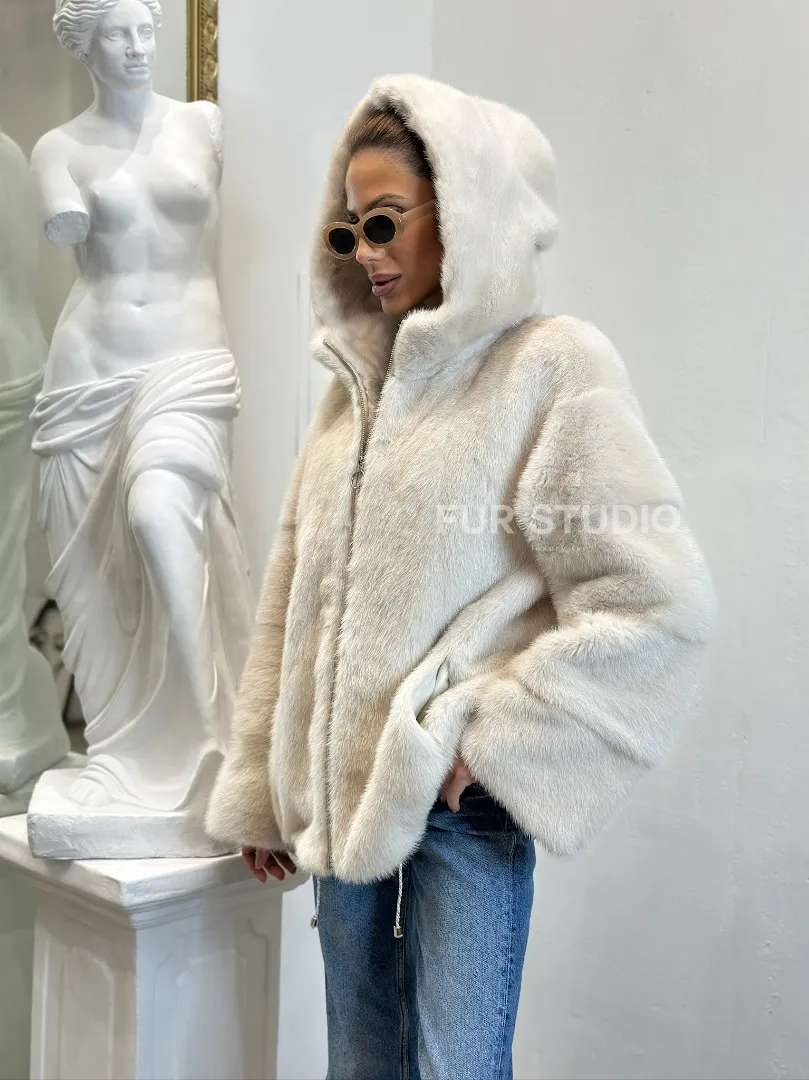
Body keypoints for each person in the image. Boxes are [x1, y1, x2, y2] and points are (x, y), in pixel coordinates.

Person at [206, 75, 715, 1080]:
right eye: (350, 230)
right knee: (359, 1065)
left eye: (386, 221)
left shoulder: (550, 368)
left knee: (458, 1069)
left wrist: (486, 736)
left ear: (466, 211)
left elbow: (656, 601)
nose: (367, 253)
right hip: (341, 801)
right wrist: (262, 790)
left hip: (459, 812)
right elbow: (293, 599)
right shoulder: (353, 390)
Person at [29, 0, 253, 818]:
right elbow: (66, 224)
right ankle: (124, 750)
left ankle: (219, 742)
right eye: (116, 34)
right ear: (84, 46)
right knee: (99, 581)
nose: (136, 48)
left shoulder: (201, 124)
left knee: (161, 513)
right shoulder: (59, 149)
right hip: (89, 378)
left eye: (146, 30)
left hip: (186, 367)